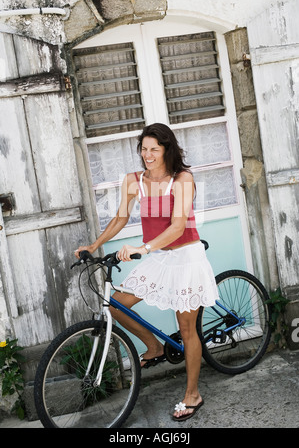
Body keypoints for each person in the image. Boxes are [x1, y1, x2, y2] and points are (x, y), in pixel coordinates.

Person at [75, 123, 219, 421]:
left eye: (155, 148)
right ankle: (153, 346)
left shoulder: (182, 179)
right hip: (159, 256)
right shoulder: (133, 180)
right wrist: (94, 245)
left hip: (185, 258)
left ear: (167, 149)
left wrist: (145, 248)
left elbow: (178, 226)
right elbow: (119, 218)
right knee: (116, 307)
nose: (148, 154)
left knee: (188, 329)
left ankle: (193, 394)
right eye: (144, 148)